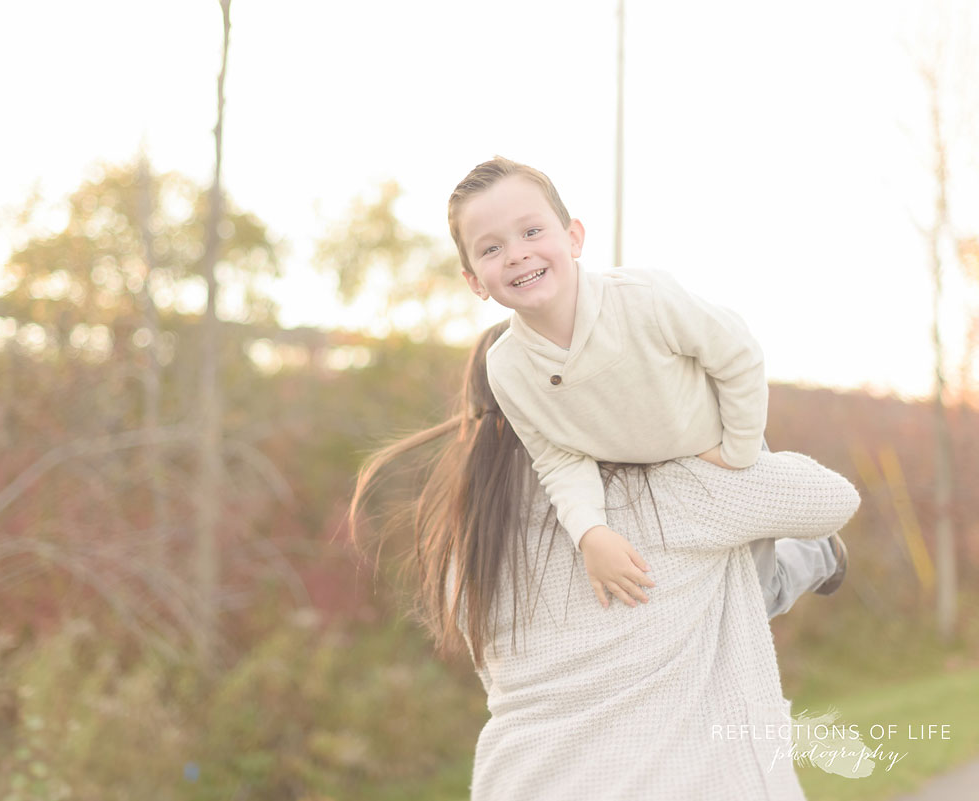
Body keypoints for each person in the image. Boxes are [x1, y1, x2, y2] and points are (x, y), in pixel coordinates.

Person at [349, 322, 862, 800]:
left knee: (714, 586)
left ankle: (814, 559)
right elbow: (831, 499)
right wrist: (707, 432)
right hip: (669, 781)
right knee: (734, 583)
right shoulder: (660, 489)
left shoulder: (466, 544)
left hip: (521, 781)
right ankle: (818, 558)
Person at [447, 156, 846, 614]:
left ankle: (821, 552)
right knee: (686, 610)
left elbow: (738, 354)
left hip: (722, 453)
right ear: (475, 280)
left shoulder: (644, 300)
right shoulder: (508, 368)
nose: (516, 254)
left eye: (532, 232)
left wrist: (738, 450)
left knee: (755, 599)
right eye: (491, 248)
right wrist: (590, 533)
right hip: (645, 477)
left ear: (573, 237)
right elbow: (558, 457)